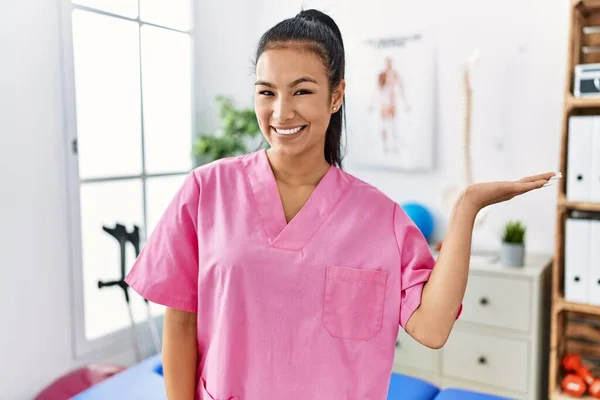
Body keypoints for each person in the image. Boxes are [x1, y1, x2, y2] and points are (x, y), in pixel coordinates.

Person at [124, 9, 557, 400]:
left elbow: (432, 327)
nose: (281, 112)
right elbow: (180, 322)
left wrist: (466, 208)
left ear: (336, 96)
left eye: (302, 91)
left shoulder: (380, 219)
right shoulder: (206, 191)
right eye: (266, 92)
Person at [370, 56, 410, 153]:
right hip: (384, 104)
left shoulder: (395, 74)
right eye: (387, 62)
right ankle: (385, 146)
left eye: (390, 62)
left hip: (392, 104)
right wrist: (372, 104)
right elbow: (377, 91)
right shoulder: (382, 75)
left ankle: (394, 145)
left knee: (393, 125)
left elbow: (401, 89)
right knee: (384, 125)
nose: (389, 64)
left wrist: (406, 103)